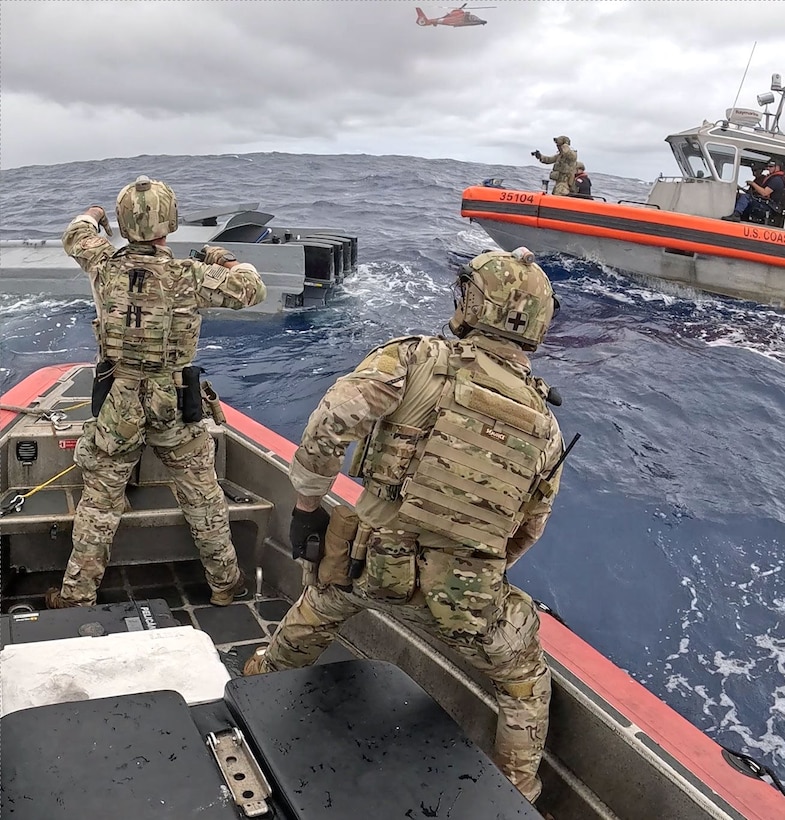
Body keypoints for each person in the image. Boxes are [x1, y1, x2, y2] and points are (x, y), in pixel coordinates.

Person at [243, 248, 568, 805]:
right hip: (464, 596)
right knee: (524, 681)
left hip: (370, 565)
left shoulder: (415, 359)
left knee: (315, 611)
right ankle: (516, 794)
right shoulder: (547, 427)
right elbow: (528, 528)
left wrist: (307, 505)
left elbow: (332, 421)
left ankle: (248, 693)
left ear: (471, 302)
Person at [46, 175, 267, 609]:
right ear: (170, 223)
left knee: (100, 501)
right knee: (202, 495)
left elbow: (76, 234)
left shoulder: (105, 265)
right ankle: (226, 584)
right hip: (175, 402)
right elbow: (251, 288)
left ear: (125, 224)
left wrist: (93, 215)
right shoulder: (190, 275)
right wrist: (226, 258)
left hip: (118, 402)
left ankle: (76, 596)